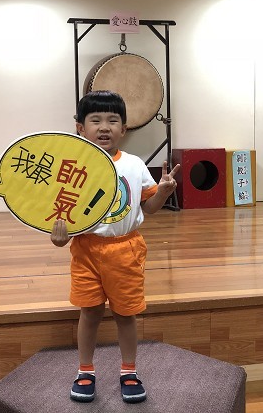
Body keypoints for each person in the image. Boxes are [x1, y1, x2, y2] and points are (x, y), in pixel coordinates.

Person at [50, 90, 180, 403]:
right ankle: (85, 370)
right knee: (90, 312)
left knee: (126, 314)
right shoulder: (72, 166)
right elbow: (60, 215)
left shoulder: (134, 165)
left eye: (113, 120)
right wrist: (59, 237)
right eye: (95, 120)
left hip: (126, 250)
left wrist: (163, 192)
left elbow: (149, 209)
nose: (104, 127)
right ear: (80, 127)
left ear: (124, 128)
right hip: (85, 250)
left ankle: (129, 371)